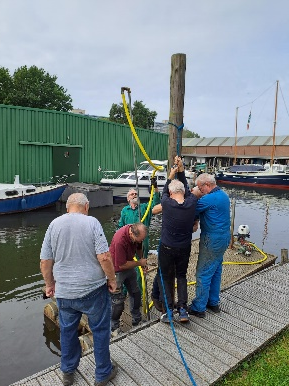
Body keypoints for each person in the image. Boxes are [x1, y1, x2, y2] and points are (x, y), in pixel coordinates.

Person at [40, 193, 118, 386]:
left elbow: (45, 262)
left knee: (67, 331)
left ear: (67, 208)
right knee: (100, 331)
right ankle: (102, 374)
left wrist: (50, 285)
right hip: (93, 289)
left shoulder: (54, 225)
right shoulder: (92, 223)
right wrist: (112, 279)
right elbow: (105, 257)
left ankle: (67, 372)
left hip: (65, 292)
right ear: (87, 206)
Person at [158, 156, 198, 323]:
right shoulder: (192, 202)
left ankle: (168, 311)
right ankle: (182, 309)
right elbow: (187, 190)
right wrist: (180, 173)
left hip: (167, 247)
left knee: (167, 277)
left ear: (171, 193)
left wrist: (170, 175)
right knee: (181, 276)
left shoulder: (167, 203)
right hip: (184, 247)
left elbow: (164, 192)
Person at [188, 173, 231, 318]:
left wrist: (194, 194)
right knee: (216, 269)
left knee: (203, 272)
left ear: (207, 185)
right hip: (224, 237)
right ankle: (213, 302)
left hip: (212, 239)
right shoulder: (224, 195)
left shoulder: (208, 199)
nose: (200, 191)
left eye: (200, 188)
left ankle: (199, 307)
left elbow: (190, 208)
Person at [110, 223, 148, 335]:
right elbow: (121, 265)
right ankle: (113, 327)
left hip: (129, 264)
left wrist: (142, 260)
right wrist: (138, 263)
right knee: (118, 301)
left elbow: (139, 246)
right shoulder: (119, 240)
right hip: (116, 269)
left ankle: (137, 320)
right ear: (131, 234)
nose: (139, 241)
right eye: (138, 239)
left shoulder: (136, 232)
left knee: (136, 293)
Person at [118, 181, 160, 258]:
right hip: (130, 241)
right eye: (132, 194)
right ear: (128, 199)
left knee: (142, 263)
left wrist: (155, 188)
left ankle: (143, 268)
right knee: (131, 262)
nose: (134, 195)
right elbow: (121, 227)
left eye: (136, 194)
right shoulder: (124, 210)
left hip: (143, 241)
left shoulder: (144, 207)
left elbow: (156, 201)